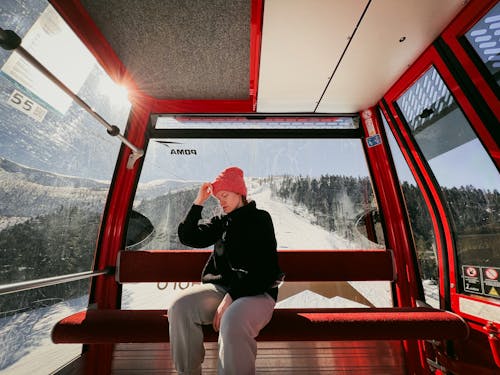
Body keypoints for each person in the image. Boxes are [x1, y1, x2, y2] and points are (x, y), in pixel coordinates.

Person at [168, 166, 283, 375]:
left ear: (240, 193)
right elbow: (189, 236)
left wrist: (232, 297)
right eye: (218, 198)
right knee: (180, 307)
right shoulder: (222, 222)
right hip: (222, 291)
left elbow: (264, 270)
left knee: (233, 319)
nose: (221, 202)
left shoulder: (260, 219)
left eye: (225, 195)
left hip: (257, 292)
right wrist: (199, 201)